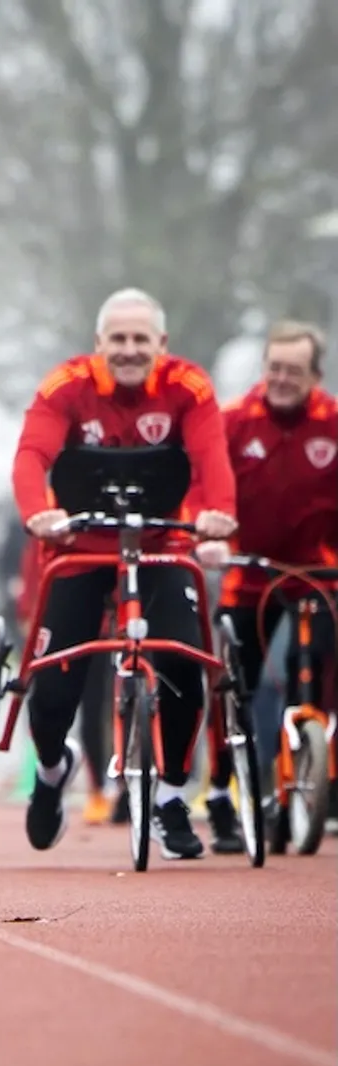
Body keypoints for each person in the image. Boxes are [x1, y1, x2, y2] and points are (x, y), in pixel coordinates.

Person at [12, 288, 237, 861]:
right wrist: (38, 511)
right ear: (98, 344)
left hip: (161, 545)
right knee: (53, 680)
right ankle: (54, 767)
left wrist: (216, 519)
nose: (130, 349)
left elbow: (212, 458)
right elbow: (32, 455)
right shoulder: (66, 386)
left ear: (161, 345)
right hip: (80, 546)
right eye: (119, 339)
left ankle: (170, 794)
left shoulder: (188, 387)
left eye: (141, 340)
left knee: (184, 658)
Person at [208, 320, 336, 852]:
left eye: (294, 371)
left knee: (317, 675)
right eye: (274, 368)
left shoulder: (332, 423)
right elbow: (206, 486)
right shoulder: (234, 422)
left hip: (317, 573)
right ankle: (219, 791)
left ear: (315, 375)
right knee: (237, 685)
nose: (282, 379)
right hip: (248, 573)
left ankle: (307, 780)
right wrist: (210, 530)